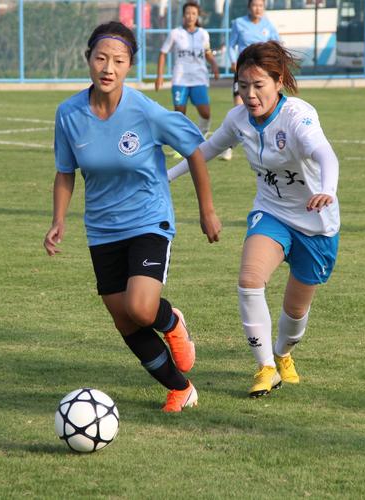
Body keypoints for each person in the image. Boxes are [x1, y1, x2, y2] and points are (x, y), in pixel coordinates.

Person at [44, 22, 222, 413]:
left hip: (148, 220)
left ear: (129, 66)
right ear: (88, 59)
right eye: (101, 58)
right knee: (124, 320)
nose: (108, 68)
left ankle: (171, 322)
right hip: (101, 229)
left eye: (118, 61)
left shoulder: (145, 111)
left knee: (141, 309)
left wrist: (206, 210)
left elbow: (195, 150)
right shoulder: (68, 114)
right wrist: (59, 219)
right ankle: (180, 388)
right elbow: (65, 171)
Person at [168, 41, 340, 398]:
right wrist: (165, 176)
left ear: (278, 81)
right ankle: (265, 368)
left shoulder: (298, 116)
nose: (249, 94)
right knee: (249, 279)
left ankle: (283, 354)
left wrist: (328, 189)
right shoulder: (238, 119)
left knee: (295, 311)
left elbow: (325, 154)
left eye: (258, 85)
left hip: (315, 222)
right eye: (243, 85)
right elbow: (205, 151)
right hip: (271, 212)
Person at [222, 0, 279, 161]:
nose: (258, 8)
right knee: (239, 108)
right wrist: (233, 61)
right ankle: (228, 147)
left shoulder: (268, 25)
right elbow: (231, 45)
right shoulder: (239, 23)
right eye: (255, 5)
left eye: (261, 5)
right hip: (243, 72)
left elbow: (277, 45)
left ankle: (267, 144)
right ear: (249, 7)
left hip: (262, 75)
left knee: (266, 110)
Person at [155, 1, 220, 141]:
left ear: (198, 16)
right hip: (180, 79)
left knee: (205, 113)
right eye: (188, 13)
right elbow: (163, 53)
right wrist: (159, 75)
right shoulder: (175, 33)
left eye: (194, 13)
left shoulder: (203, 34)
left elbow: (207, 52)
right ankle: (182, 142)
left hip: (199, 78)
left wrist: (214, 64)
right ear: (183, 15)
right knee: (179, 114)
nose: (190, 16)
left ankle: (200, 138)